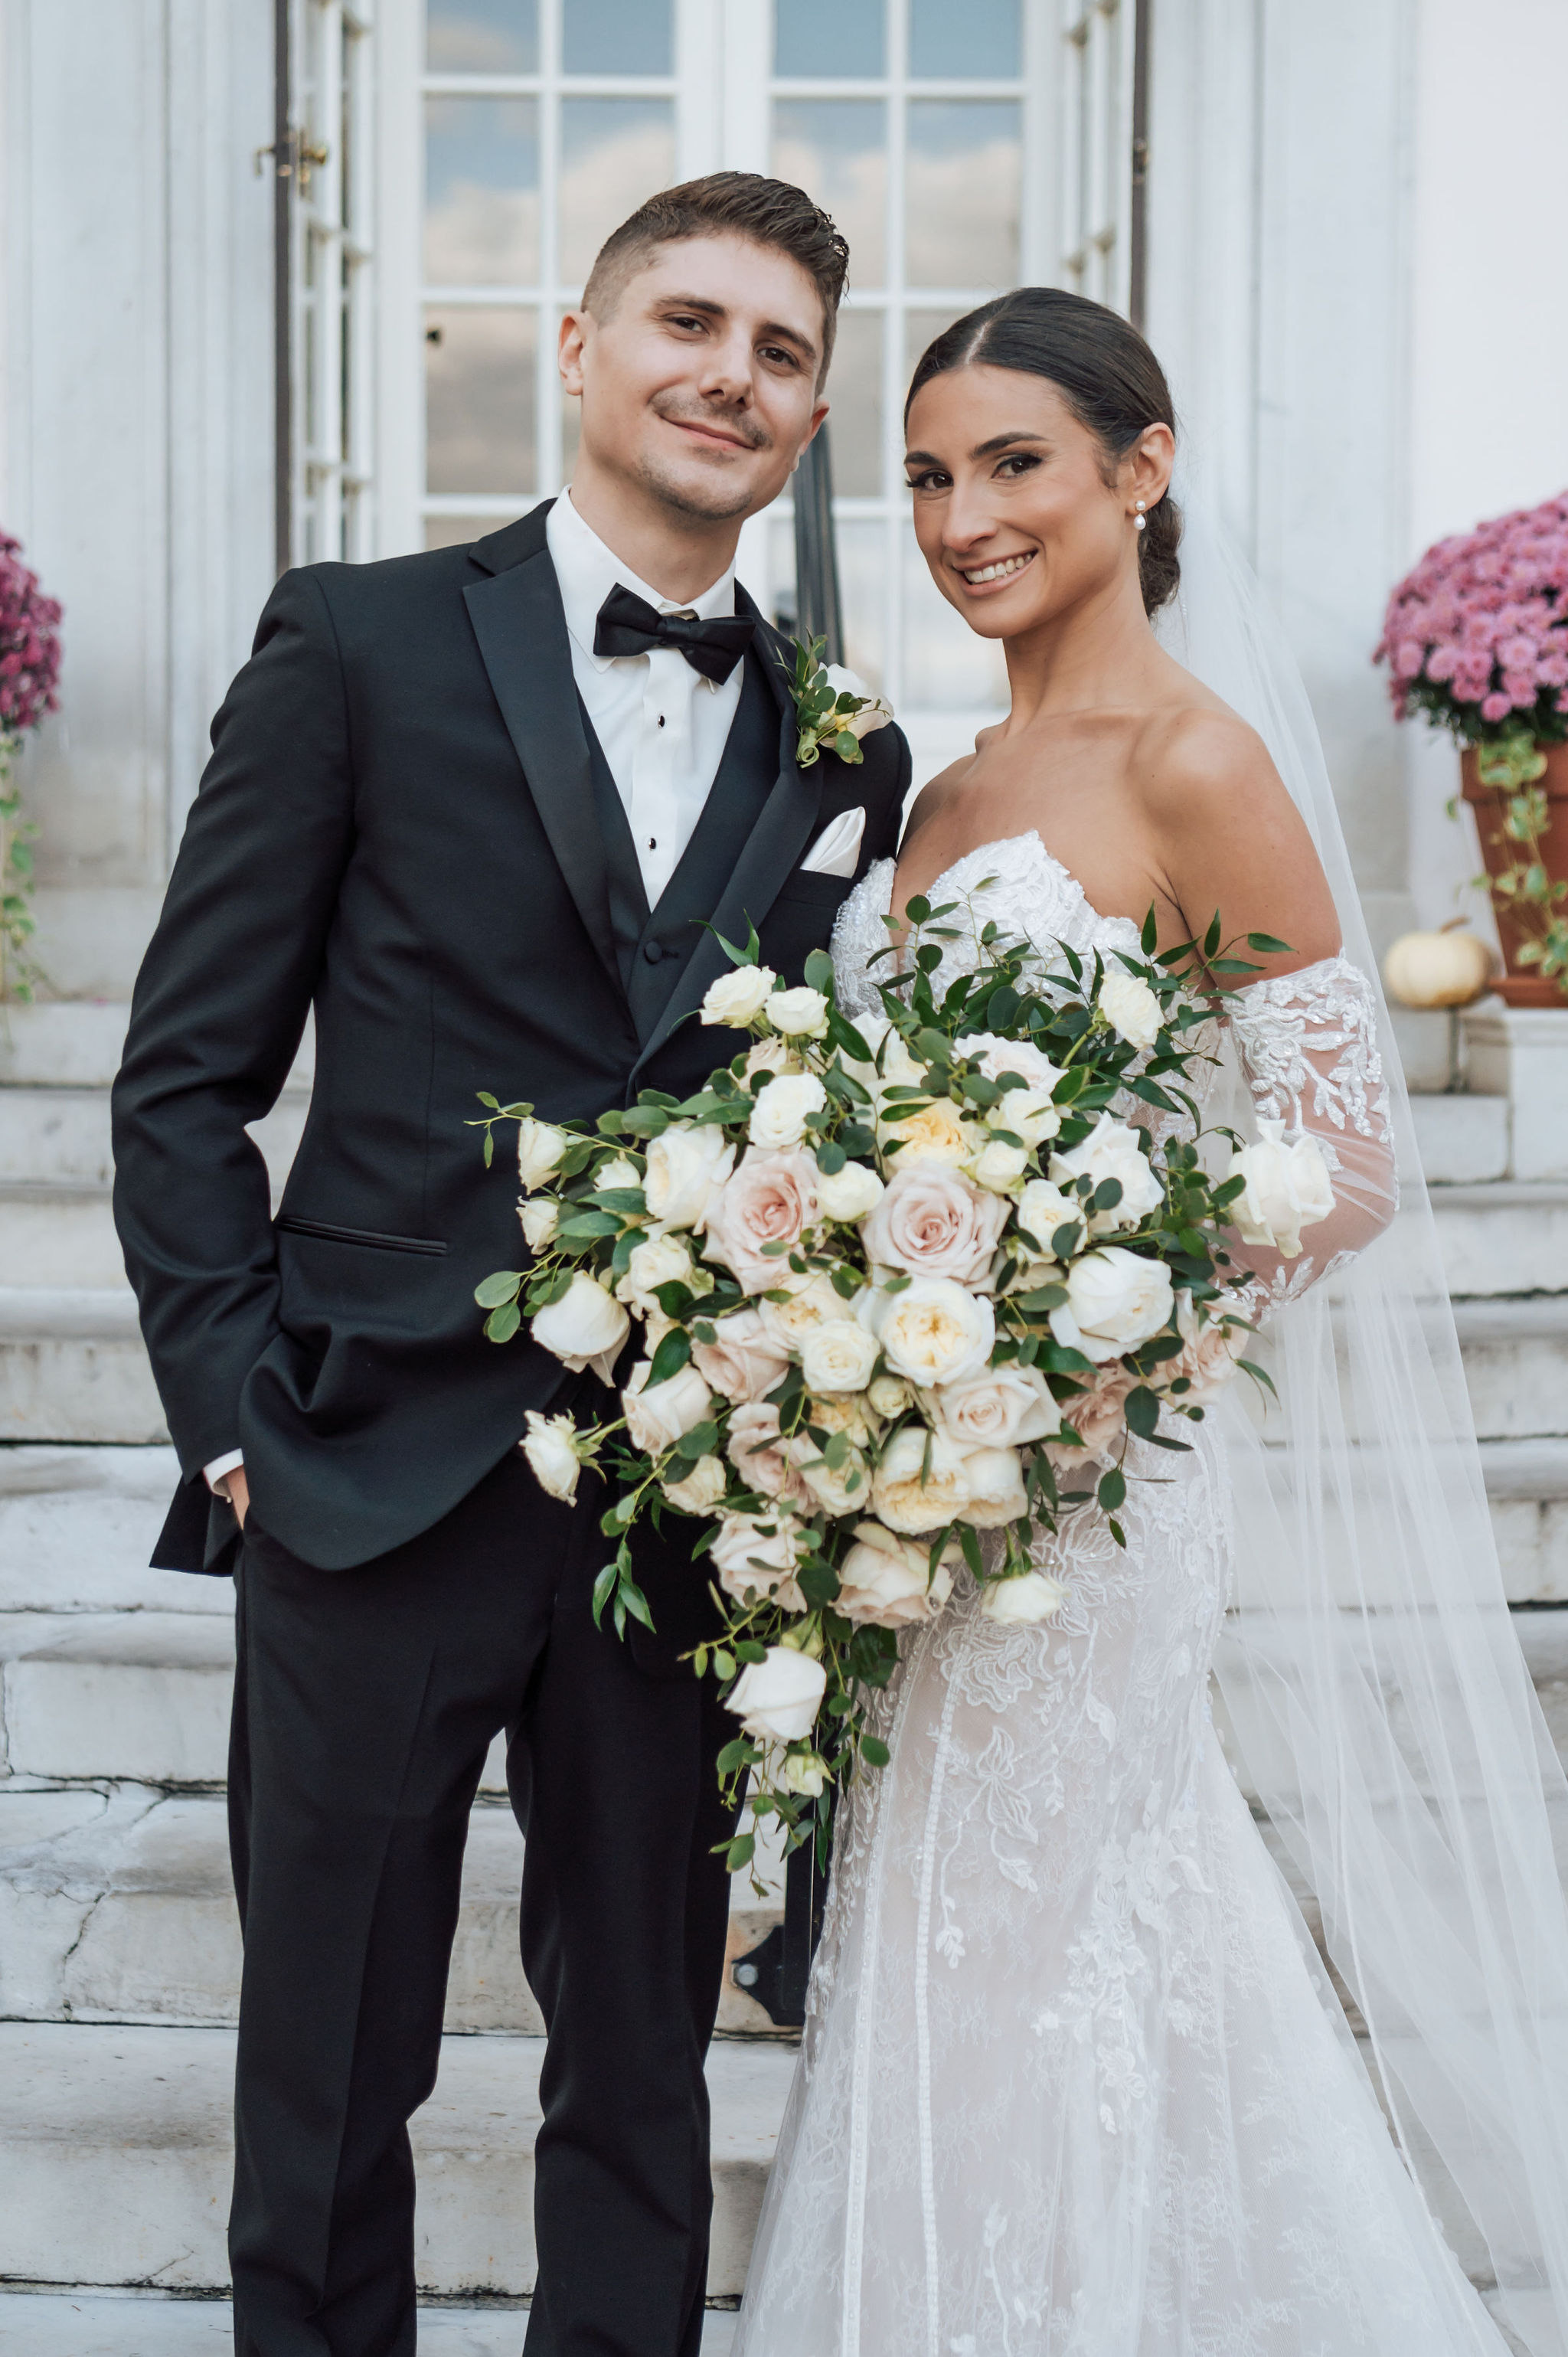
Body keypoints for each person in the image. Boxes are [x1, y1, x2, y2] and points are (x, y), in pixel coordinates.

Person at [110, 172, 908, 2357]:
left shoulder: (848, 746)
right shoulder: (358, 640)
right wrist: (236, 1425)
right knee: (327, 2075)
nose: (726, 374)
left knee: (646, 2074)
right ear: (578, 348)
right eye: (687, 320)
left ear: (810, 415)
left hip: (685, 1505)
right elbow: (185, 1079)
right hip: (365, 1473)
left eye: (776, 353)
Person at [734, 289, 1568, 2355]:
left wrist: (1088, 1364)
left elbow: (1345, 1153)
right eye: (926, 475)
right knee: (983, 1941)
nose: (959, 515)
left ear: (1143, 464)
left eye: (1012, 463)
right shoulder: (942, 785)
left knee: (1027, 1942)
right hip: (920, 1464)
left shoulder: (1196, 760)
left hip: (1098, 1481)